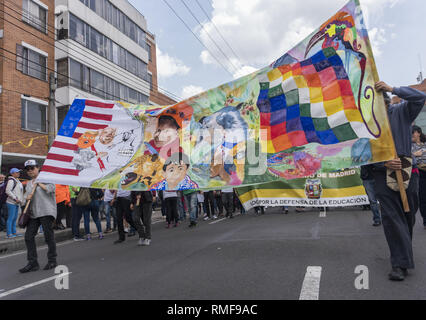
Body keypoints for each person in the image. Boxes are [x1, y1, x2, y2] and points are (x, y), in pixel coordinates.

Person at [372, 81, 426, 281]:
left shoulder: (401, 110)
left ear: (386, 103)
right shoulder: (366, 124)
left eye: (382, 107)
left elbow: (420, 97)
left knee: (408, 216)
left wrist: (393, 89)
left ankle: (403, 251)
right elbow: (362, 155)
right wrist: (383, 163)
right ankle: (399, 264)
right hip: (382, 174)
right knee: (392, 219)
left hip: (407, 170)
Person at [20, 160, 57, 273]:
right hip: (33, 213)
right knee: (28, 237)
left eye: (32, 168)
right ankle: (33, 263)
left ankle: (52, 260)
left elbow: (51, 189)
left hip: (46, 211)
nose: (30, 171)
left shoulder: (46, 178)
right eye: (28, 169)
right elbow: (26, 198)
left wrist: (39, 183)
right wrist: (26, 198)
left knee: (48, 236)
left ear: (37, 168)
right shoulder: (29, 183)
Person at [412, 125, 426, 229]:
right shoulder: (410, 146)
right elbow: (408, 159)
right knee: (423, 197)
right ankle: (425, 219)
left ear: (418, 133)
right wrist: (414, 155)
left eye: (413, 132)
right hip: (420, 173)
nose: (411, 134)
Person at [5, 168, 24, 238]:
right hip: (11, 202)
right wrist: (15, 198)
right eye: (17, 172)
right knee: (11, 218)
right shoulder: (11, 180)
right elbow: (7, 191)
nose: (18, 173)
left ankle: (14, 232)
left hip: (16, 203)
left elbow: (20, 192)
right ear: (12, 174)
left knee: (15, 218)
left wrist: (20, 200)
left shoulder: (17, 180)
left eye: (19, 172)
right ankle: (9, 234)